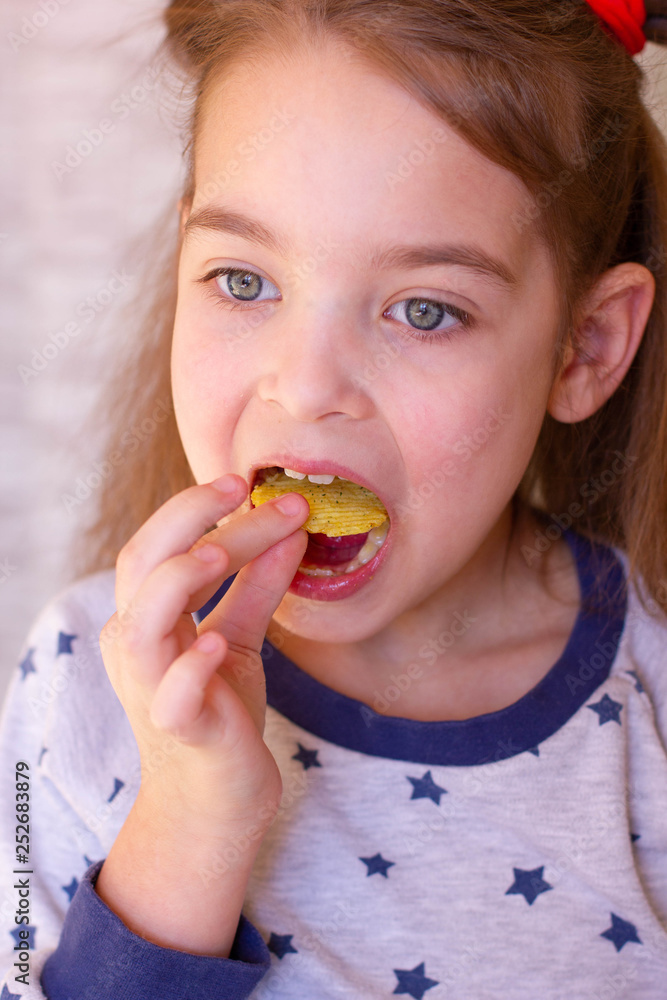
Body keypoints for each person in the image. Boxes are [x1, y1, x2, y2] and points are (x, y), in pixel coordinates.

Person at [2, 0, 667, 996]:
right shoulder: (85, 677)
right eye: (243, 281)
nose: (304, 385)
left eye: (424, 309)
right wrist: (191, 819)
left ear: (586, 347)